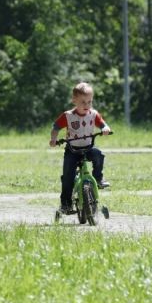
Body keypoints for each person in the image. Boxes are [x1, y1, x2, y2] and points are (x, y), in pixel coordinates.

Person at [49, 82, 112, 214]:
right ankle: (66, 204)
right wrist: (54, 139)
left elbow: (102, 123)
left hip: (88, 147)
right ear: (74, 100)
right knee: (67, 177)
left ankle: (98, 178)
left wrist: (105, 128)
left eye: (89, 102)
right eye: (83, 102)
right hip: (72, 150)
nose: (86, 105)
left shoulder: (93, 114)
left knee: (98, 154)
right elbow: (56, 127)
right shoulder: (68, 116)